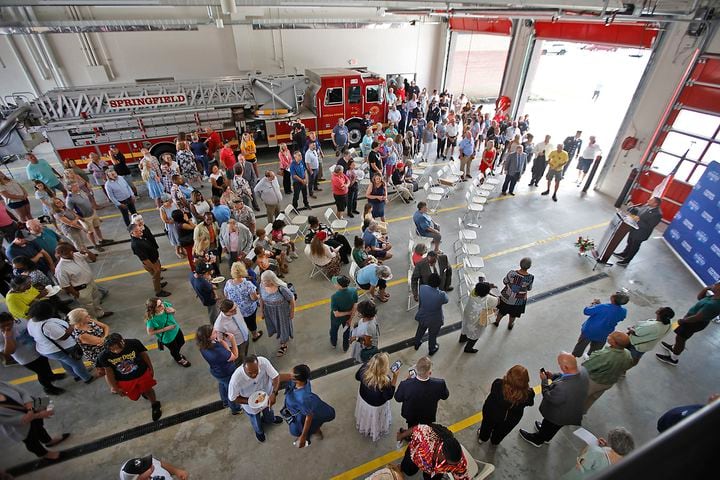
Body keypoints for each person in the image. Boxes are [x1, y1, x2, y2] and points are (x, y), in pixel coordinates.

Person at [519, 353, 589, 447]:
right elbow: (564, 376)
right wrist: (553, 376)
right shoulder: (582, 371)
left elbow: (548, 396)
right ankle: (546, 436)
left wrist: (544, 380)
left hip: (558, 414)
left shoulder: (563, 388)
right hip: (570, 409)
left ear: (566, 367)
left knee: (550, 423)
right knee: (553, 427)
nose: (559, 366)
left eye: (560, 364)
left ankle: (538, 439)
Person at [25, 300, 95, 384]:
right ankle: (87, 378)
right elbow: (63, 336)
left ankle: (76, 375)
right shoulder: (48, 325)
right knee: (76, 363)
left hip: (48, 350)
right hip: (61, 349)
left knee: (65, 361)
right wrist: (72, 326)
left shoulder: (31, 321)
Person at [96, 333, 162, 421]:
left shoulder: (134, 343)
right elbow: (109, 372)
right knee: (134, 396)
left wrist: (151, 368)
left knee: (148, 390)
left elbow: (144, 355)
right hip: (124, 380)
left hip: (142, 373)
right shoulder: (103, 356)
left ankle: (155, 404)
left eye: (117, 348)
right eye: (112, 349)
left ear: (122, 341)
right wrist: (115, 387)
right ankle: (142, 392)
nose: (116, 351)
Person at [0, 381, 70, 461]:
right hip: (21, 425)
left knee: (39, 427)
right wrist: (38, 414)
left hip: (31, 408)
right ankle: (44, 454)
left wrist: (31, 409)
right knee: (31, 440)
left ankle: (48, 441)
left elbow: (23, 392)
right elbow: (16, 421)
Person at [0, 312, 66, 395]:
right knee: (41, 372)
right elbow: (9, 351)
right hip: (27, 358)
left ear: (12, 320)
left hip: (39, 350)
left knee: (46, 365)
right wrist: (7, 337)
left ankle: (51, 376)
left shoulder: (21, 321)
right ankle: (48, 388)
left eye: (9, 324)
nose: (7, 327)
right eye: (2, 326)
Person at [657, 282, 720, 366]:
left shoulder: (714, 304)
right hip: (689, 320)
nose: (714, 285)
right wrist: (705, 289)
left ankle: (673, 358)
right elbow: (700, 298)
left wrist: (682, 321)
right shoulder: (714, 297)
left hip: (692, 323)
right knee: (679, 337)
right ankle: (674, 348)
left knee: (681, 339)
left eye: (716, 285)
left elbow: (698, 317)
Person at [228, 354, 283, 442]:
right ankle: (259, 431)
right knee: (255, 419)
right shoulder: (236, 380)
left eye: (256, 371)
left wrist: (274, 393)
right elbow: (232, 398)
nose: (254, 375)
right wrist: (251, 402)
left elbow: (276, 377)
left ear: (258, 365)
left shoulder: (263, 362)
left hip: (267, 395)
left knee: (269, 410)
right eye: (250, 373)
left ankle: (270, 420)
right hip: (250, 404)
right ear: (244, 368)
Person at [477, 365, 535, 445]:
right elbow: (530, 403)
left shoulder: (498, 384)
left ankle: (483, 438)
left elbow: (492, 392)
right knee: (502, 431)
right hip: (511, 419)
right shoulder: (529, 394)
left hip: (492, 412)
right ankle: (495, 441)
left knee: (487, 426)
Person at [55, 243, 112, 320]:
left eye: (72, 251)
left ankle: (100, 313)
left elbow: (93, 259)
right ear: (61, 254)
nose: (72, 253)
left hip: (91, 283)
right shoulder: (61, 268)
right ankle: (93, 320)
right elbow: (65, 285)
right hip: (81, 289)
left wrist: (87, 251)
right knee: (88, 306)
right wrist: (76, 294)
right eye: (69, 252)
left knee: (96, 300)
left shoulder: (77, 255)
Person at [195, 324, 241, 415]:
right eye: (214, 332)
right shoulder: (218, 353)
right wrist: (232, 340)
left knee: (222, 384)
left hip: (216, 371)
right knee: (231, 391)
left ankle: (225, 402)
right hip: (227, 372)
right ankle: (235, 409)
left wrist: (220, 342)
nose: (216, 332)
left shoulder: (203, 345)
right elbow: (234, 356)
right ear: (208, 338)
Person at [396, 423, 470, 480]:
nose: (453, 466)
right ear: (441, 453)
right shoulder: (427, 437)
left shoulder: (457, 460)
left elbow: (461, 472)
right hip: (415, 456)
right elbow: (415, 429)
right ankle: (402, 468)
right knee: (409, 470)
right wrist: (401, 435)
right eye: (448, 463)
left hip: (435, 471)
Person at [582, 332, 634, 412]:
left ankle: (574, 411)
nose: (608, 336)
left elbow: (587, 366)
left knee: (582, 396)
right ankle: (583, 411)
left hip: (594, 381)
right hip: (609, 382)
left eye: (610, 336)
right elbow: (627, 366)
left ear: (614, 343)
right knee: (593, 397)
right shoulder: (628, 354)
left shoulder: (604, 355)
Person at [394, 356, 449, 428]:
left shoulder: (405, 384)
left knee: (411, 428)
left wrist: (407, 380)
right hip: (428, 414)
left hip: (411, 414)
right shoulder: (440, 384)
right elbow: (445, 396)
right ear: (430, 372)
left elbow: (398, 398)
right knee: (425, 430)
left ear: (416, 370)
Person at [355, 352, 398, 442]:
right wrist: (395, 378)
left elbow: (357, 377)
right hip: (375, 406)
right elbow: (389, 396)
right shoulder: (385, 381)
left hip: (363, 398)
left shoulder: (364, 368)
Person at [561, 427, 635, 480]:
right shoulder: (624, 461)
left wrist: (590, 446)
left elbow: (580, 465)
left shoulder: (595, 452)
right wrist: (605, 447)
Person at [571, 292, 629, 358]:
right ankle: (591, 357)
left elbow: (586, 311)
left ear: (612, 299)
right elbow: (619, 317)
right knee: (596, 349)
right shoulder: (623, 311)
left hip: (589, 331)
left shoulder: (602, 307)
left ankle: (575, 356)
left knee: (581, 345)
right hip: (604, 334)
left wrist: (594, 304)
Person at [614, 197, 663, 266]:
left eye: (651, 200)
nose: (648, 200)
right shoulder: (647, 205)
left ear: (655, 204)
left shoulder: (657, 214)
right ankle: (624, 254)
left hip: (641, 233)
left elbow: (649, 226)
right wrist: (632, 207)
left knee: (634, 246)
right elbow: (639, 211)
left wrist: (638, 220)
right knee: (630, 242)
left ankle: (627, 260)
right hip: (634, 228)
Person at [258, 270, 295, 358]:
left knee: (283, 327)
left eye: (265, 281)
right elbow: (262, 299)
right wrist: (261, 311)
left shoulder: (281, 288)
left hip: (282, 312)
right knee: (274, 325)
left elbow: (291, 300)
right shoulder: (262, 286)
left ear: (271, 280)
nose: (263, 283)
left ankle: (283, 344)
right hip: (269, 311)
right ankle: (281, 337)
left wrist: (292, 312)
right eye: (262, 281)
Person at [145, 297, 190, 368]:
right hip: (168, 337)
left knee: (182, 342)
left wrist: (173, 310)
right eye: (159, 306)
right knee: (174, 350)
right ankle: (179, 359)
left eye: (161, 303)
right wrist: (165, 329)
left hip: (176, 329)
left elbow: (173, 312)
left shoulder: (165, 305)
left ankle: (177, 354)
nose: (162, 305)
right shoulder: (152, 319)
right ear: (153, 309)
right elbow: (150, 332)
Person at [224, 262, 263, 342]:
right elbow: (254, 298)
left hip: (236, 310)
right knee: (251, 323)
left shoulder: (229, 283)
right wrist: (259, 296)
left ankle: (243, 335)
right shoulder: (248, 284)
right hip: (248, 310)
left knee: (240, 323)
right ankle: (255, 335)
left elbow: (226, 295)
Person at [129, 223, 171, 297]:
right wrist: (154, 267)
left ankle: (158, 284)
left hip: (154, 260)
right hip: (151, 263)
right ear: (132, 233)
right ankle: (158, 291)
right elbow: (144, 259)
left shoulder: (139, 237)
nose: (140, 231)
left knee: (157, 276)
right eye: (138, 231)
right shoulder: (136, 244)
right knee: (156, 276)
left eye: (140, 229)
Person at [413, 273, 449, 356]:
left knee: (420, 329)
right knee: (432, 335)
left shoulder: (422, 288)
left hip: (423, 314)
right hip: (435, 319)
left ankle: (417, 343)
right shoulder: (441, 294)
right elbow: (446, 300)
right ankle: (432, 348)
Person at [494, 257, 534, 330]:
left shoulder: (512, 273)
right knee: (513, 314)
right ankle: (510, 325)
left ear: (520, 264)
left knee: (501, 311)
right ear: (529, 266)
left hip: (506, 297)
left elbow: (505, 281)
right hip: (519, 301)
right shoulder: (530, 277)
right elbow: (529, 288)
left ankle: (497, 322)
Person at [460, 281, 498, 353]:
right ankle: (468, 348)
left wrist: (486, 286)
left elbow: (477, 287)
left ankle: (462, 339)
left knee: (465, 327)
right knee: (475, 334)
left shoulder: (473, 292)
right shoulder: (490, 299)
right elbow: (497, 302)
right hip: (478, 320)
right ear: (487, 292)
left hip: (468, 314)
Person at [329, 275, 358, 352]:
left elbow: (336, 314)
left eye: (336, 283)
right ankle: (345, 347)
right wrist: (350, 318)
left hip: (336, 320)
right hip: (347, 318)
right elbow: (355, 305)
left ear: (339, 286)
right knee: (346, 332)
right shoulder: (353, 291)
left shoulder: (334, 297)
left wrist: (348, 312)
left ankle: (333, 343)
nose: (334, 284)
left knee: (333, 331)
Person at [349, 299, 380, 364]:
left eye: (359, 312)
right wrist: (358, 324)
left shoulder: (368, 327)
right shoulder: (372, 316)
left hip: (364, 347)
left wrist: (356, 338)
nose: (357, 313)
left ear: (364, 314)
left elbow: (368, 343)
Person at [119, 454, 188, 480]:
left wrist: (176, 471)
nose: (151, 465)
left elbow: (159, 464)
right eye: (145, 469)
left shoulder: (150, 463)